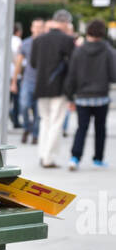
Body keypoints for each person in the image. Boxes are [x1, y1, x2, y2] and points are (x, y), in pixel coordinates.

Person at [65, 18, 116, 169]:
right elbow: (114, 75)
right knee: (100, 128)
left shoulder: (79, 51)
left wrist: (70, 97)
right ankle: (98, 159)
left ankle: (75, 157)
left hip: (82, 97)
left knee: (82, 128)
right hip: (101, 96)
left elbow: (71, 76)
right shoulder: (108, 51)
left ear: (87, 31)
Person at [30, 9, 75, 168]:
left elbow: (33, 63)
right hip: (59, 87)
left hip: (41, 86)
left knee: (45, 121)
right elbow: (72, 66)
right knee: (56, 122)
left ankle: (43, 154)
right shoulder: (68, 40)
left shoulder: (38, 40)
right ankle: (48, 157)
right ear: (64, 22)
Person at [13, 18, 44, 145]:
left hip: (42, 82)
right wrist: (14, 81)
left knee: (38, 112)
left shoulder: (46, 43)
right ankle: (27, 128)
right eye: (35, 26)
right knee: (24, 106)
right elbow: (18, 63)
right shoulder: (26, 43)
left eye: (40, 27)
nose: (37, 29)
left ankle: (35, 134)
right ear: (31, 28)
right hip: (28, 81)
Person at [9, 22, 23, 128]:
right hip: (15, 73)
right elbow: (19, 58)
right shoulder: (18, 41)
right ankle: (15, 120)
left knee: (6, 99)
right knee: (16, 100)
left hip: (6, 75)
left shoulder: (6, 40)